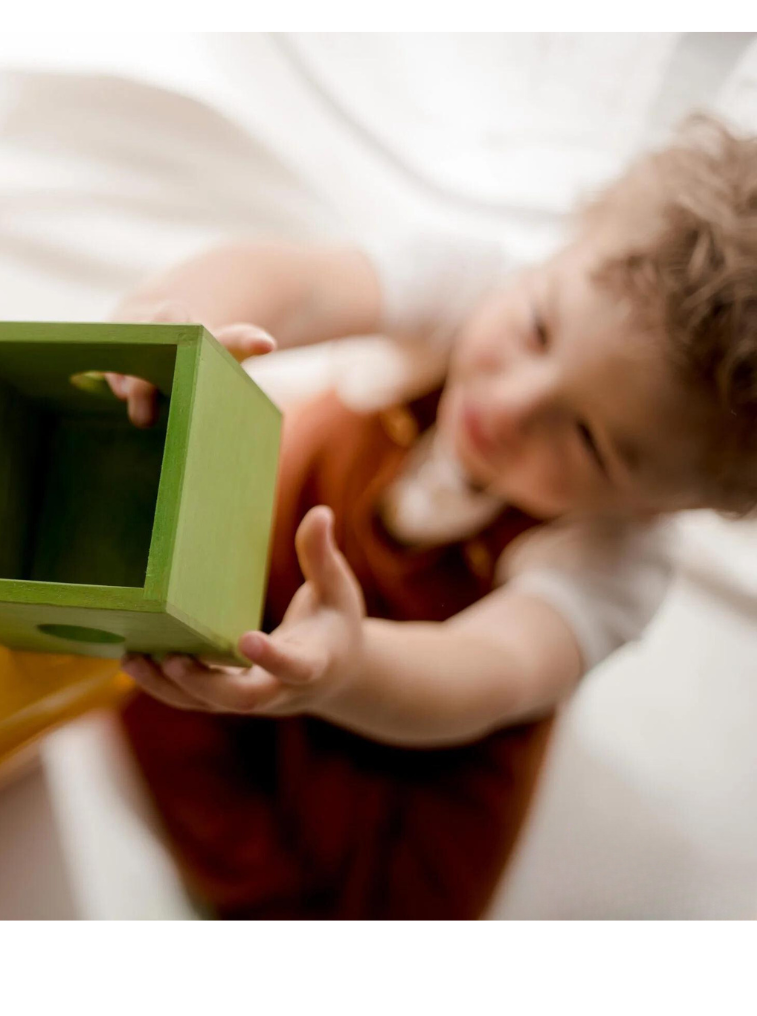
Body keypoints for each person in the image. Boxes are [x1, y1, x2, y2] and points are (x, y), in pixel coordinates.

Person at [105, 114, 757, 918]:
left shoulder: (618, 562)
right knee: (150, 696)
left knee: (376, 908)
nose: (512, 404)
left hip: (406, 709)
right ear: (556, 254)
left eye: (591, 440)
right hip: (276, 553)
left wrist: (348, 669)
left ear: (664, 502)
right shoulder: (470, 281)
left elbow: (488, 672)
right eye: (538, 328)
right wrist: (183, 319)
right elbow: (298, 282)